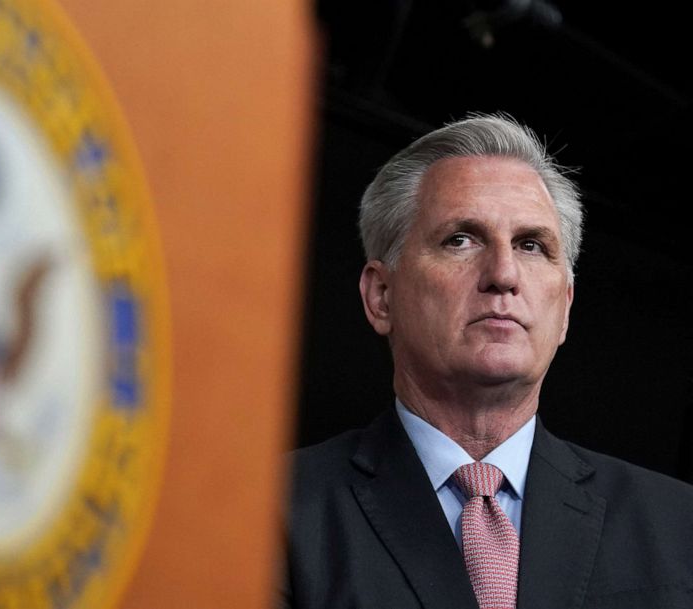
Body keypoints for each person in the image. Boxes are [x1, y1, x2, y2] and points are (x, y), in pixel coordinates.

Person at [278, 113, 693, 609]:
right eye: (461, 239)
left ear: (564, 308)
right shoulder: (273, 514)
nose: (503, 274)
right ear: (382, 296)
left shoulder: (678, 525)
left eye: (531, 245)